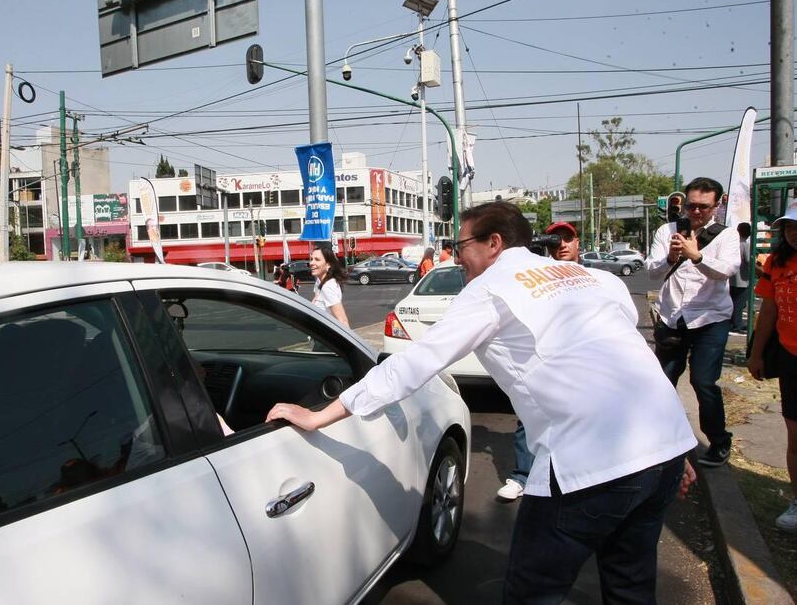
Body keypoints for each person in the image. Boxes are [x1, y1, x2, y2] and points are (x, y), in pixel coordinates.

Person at [269, 202, 697, 603]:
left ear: (494, 243)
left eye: (461, 246)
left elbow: (416, 362)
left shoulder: (492, 288)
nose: (457, 258)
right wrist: (674, 449)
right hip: (663, 451)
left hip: (588, 465)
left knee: (532, 592)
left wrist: (322, 414)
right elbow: (632, 359)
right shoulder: (591, 277)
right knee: (631, 585)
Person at [645, 177, 741, 467]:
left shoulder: (726, 235)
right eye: (691, 206)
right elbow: (651, 271)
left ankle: (718, 440)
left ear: (717, 205)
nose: (696, 212)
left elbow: (727, 270)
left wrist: (696, 257)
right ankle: (661, 437)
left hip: (710, 318)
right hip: (672, 317)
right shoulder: (667, 231)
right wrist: (671, 257)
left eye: (703, 207)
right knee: (662, 381)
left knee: (703, 382)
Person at [498, 221, 581, 501]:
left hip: (580, 362)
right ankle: (523, 475)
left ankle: (575, 476)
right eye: (555, 240)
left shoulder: (592, 276)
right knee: (528, 416)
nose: (562, 245)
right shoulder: (536, 276)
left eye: (567, 238)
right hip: (542, 359)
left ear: (577, 242)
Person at [746, 204, 797, 533]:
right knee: (795, 437)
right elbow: (768, 311)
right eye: (789, 227)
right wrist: (756, 354)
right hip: (791, 358)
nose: (793, 233)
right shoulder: (776, 263)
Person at [310, 246, 349, 327]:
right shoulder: (319, 281)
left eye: (317, 259)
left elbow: (342, 320)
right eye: (312, 259)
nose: (311, 263)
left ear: (328, 265)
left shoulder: (328, 286)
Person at [729, 222, 752, 334]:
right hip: (742, 279)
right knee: (739, 303)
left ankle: (733, 323)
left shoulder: (733, 244)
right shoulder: (745, 244)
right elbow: (748, 260)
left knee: (733, 301)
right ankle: (737, 324)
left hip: (731, 278)